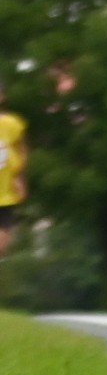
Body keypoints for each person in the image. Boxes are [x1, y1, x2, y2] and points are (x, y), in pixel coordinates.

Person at [0, 88, 26, 261]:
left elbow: (21, 149)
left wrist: (18, 176)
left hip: (5, 193)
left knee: (3, 240)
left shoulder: (12, 123)